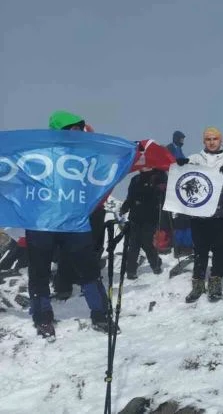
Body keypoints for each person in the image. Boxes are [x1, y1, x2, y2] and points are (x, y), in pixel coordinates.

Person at [26, 111, 115, 338]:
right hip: (42, 223)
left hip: (74, 222)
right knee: (39, 272)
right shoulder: (37, 155)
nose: (77, 133)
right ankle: (43, 317)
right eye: (72, 129)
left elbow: (106, 166)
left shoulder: (84, 156)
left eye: (79, 129)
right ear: (59, 131)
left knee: (89, 269)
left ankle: (101, 313)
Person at [181, 127, 223, 303]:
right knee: (200, 249)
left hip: (222, 212)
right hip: (199, 213)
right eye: (208, 139)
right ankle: (198, 284)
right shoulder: (194, 158)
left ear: (220, 140)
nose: (211, 142)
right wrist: (180, 166)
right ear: (203, 141)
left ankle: (215, 282)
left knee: (220, 249)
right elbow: (182, 179)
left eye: (214, 139)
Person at [120, 166, 168, 279]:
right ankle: (131, 271)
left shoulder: (159, 177)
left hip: (151, 217)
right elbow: (130, 197)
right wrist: (125, 207)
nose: (144, 167)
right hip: (135, 216)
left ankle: (156, 265)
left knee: (147, 242)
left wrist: (161, 187)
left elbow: (163, 195)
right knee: (133, 244)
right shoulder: (135, 179)